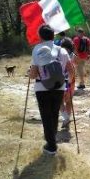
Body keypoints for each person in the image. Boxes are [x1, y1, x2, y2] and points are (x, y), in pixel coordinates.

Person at [29, 25, 73, 155]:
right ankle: (52, 137)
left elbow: (33, 73)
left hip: (41, 88)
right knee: (54, 113)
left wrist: (30, 74)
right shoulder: (62, 51)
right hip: (59, 86)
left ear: (40, 36)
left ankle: (51, 146)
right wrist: (68, 84)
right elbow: (71, 70)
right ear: (53, 36)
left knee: (46, 115)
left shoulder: (37, 49)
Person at [60, 37, 76, 129]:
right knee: (68, 101)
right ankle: (67, 118)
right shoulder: (73, 55)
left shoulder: (58, 54)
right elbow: (74, 67)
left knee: (60, 100)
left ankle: (65, 118)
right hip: (71, 80)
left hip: (61, 80)